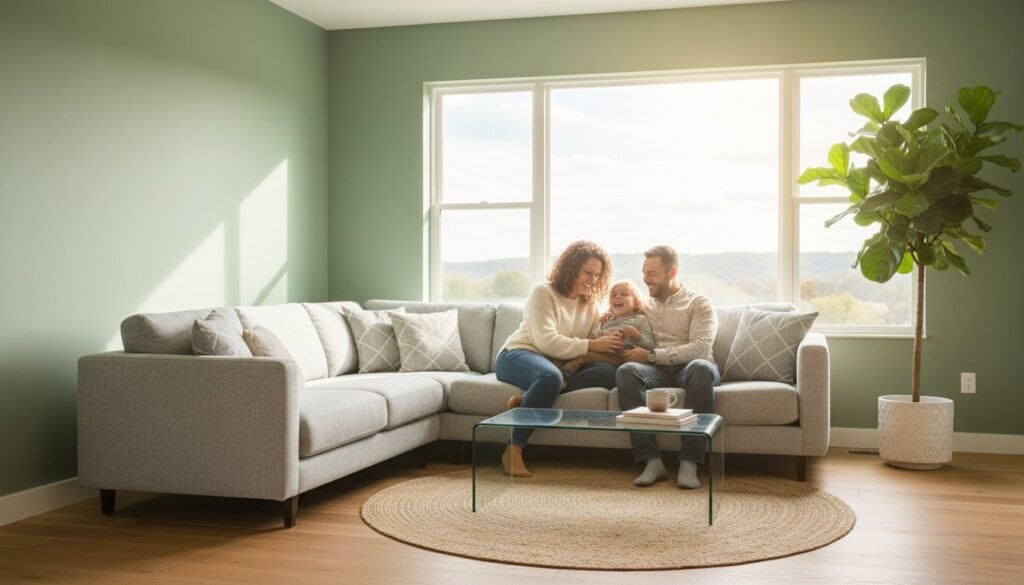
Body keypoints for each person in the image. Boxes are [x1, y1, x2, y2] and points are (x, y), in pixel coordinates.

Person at [496, 240, 625, 477]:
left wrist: (611, 328)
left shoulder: (590, 305)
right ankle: (513, 449)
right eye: (588, 272)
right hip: (519, 354)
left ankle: (531, 400)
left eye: (597, 275)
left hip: (556, 367)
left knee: (608, 372)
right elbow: (547, 342)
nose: (592, 280)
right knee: (550, 377)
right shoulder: (543, 293)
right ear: (571, 268)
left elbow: (592, 342)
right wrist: (592, 344)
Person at [615, 245, 719, 489]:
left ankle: (690, 462)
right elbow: (621, 312)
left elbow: (700, 348)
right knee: (626, 372)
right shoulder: (644, 304)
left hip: (691, 368)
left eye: (651, 273)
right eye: (644, 273)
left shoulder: (699, 303)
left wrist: (652, 355)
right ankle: (651, 461)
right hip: (658, 372)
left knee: (700, 368)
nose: (645, 279)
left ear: (672, 272)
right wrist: (609, 317)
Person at [559, 279, 655, 386]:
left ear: (636, 303)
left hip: (622, 357)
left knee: (584, 357)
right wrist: (605, 333)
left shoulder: (640, 319)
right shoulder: (607, 320)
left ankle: (565, 374)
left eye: (624, 294)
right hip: (603, 355)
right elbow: (593, 338)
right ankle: (564, 374)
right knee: (583, 354)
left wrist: (637, 336)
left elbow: (650, 345)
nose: (618, 297)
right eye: (613, 295)